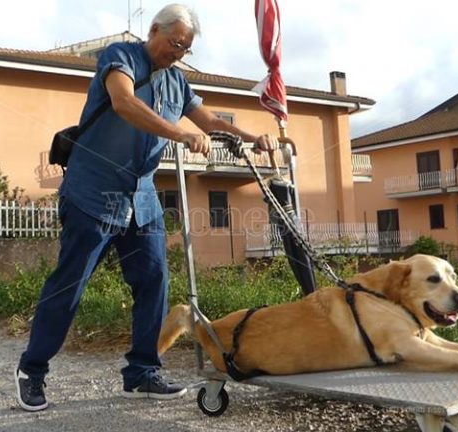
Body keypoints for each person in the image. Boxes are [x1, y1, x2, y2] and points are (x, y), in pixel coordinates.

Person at [15, 3, 279, 412]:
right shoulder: (121, 57)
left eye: (185, 49)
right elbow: (122, 102)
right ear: (154, 30)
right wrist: (179, 133)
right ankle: (32, 370)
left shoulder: (177, 82)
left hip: (141, 197)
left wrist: (252, 136)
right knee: (70, 284)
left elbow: (209, 122)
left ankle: (141, 373)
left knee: (154, 280)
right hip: (92, 192)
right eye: (174, 43)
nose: (177, 53)